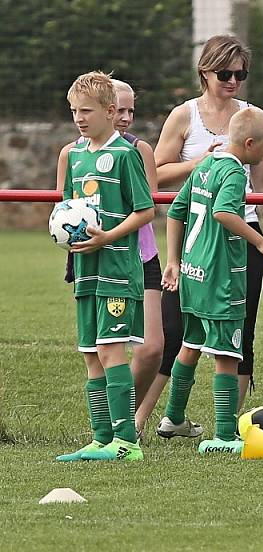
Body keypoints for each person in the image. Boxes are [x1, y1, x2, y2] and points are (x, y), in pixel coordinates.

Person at [141, 35, 263, 436]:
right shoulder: (184, 116)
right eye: (225, 73)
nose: (233, 80)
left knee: (241, 334)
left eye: (241, 74)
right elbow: (157, 172)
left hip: (245, 237)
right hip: (201, 243)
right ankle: (141, 421)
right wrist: (205, 162)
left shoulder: (253, 118)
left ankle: (227, 428)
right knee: (174, 333)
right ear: (205, 71)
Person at [159, 107, 263, 454]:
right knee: (228, 352)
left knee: (192, 343)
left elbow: (177, 211)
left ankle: (174, 417)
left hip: (194, 272)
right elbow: (224, 212)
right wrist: (261, 242)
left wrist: (174, 261)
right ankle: (225, 436)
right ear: (250, 143)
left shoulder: (205, 165)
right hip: (221, 277)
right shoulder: (234, 172)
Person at [56, 79, 164, 437]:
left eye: (86, 111)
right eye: (74, 111)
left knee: (110, 350)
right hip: (86, 269)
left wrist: (108, 236)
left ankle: (125, 439)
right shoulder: (74, 155)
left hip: (118, 268)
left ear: (109, 112)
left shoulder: (125, 155)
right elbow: (69, 208)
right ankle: (101, 439)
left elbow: (145, 211)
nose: (79, 118)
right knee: (90, 353)